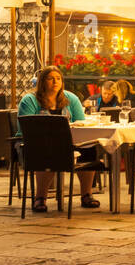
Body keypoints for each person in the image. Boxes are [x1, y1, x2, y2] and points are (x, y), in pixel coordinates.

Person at [17, 66, 99, 212]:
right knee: (48, 150)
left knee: (89, 148)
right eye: (50, 78)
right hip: (34, 143)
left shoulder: (71, 98)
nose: (55, 82)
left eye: (58, 78)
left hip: (68, 141)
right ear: (42, 82)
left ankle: (87, 194)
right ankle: (40, 197)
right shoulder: (29, 100)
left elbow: (82, 123)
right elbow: (27, 127)